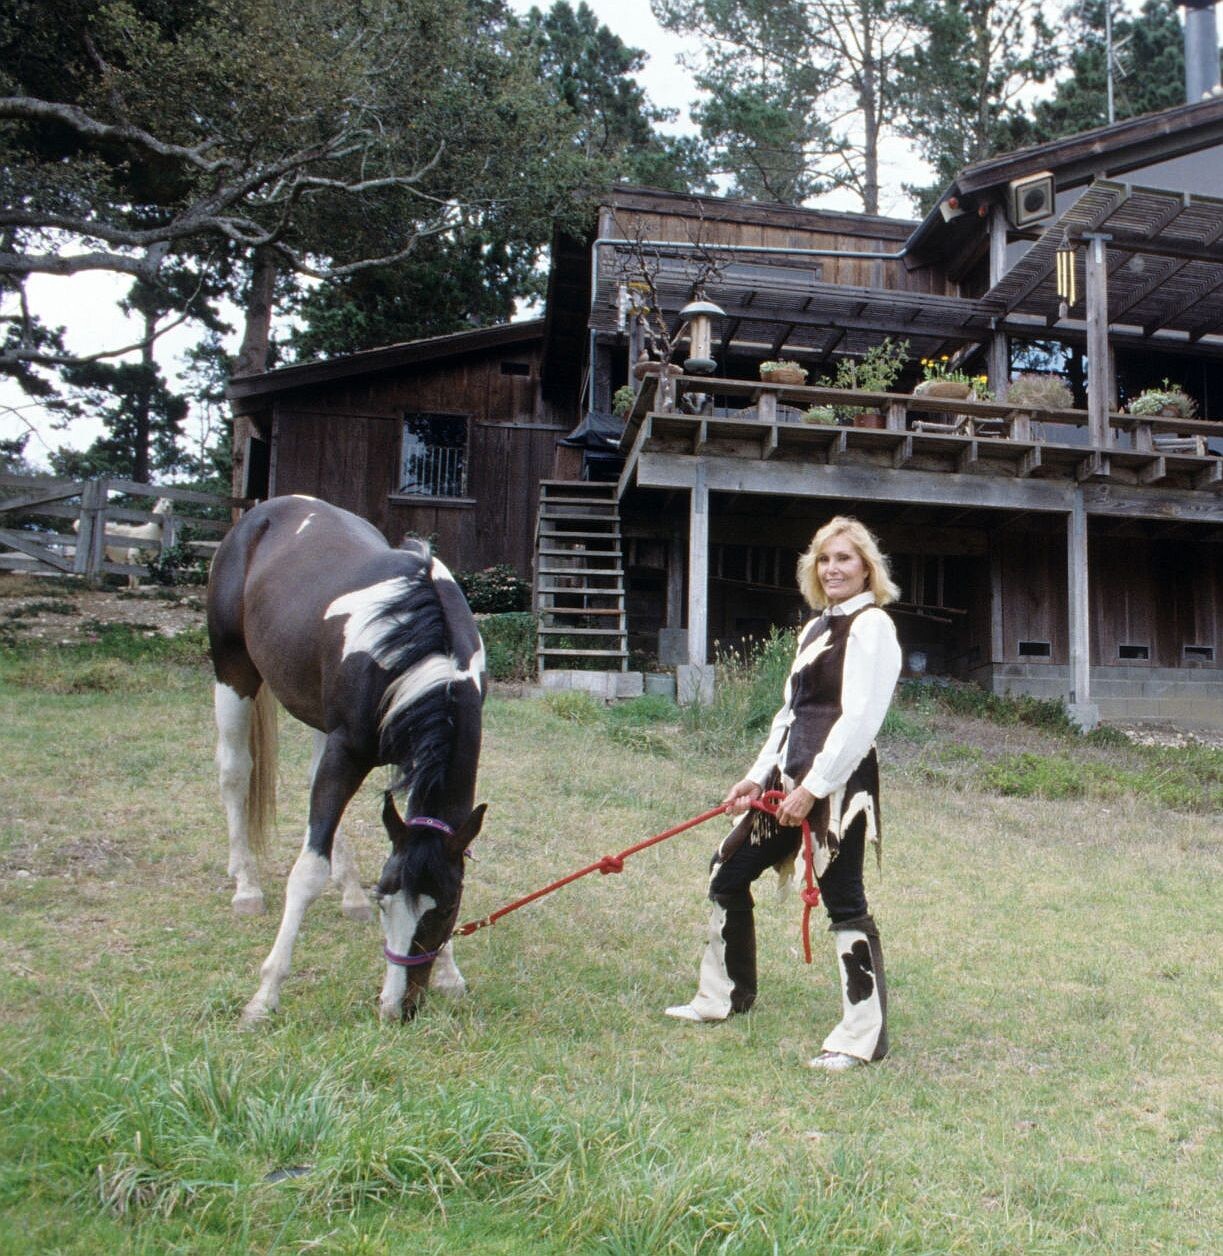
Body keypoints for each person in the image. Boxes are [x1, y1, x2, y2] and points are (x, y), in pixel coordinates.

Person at [665, 515, 902, 1072]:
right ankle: (726, 995)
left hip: (840, 786)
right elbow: (789, 714)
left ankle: (863, 1038)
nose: (833, 568)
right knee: (727, 871)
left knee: (844, 899)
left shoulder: (872, 626)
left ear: (867, 567)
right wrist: (757, 776)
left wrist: (815, 789)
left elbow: (860, 718)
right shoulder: (815, 628)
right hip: (786, 780)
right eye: (824, 559)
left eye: (844, 558)